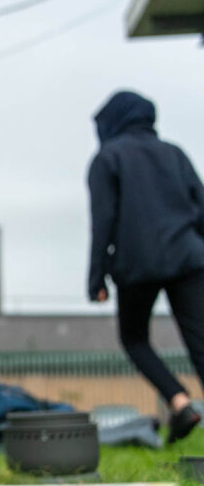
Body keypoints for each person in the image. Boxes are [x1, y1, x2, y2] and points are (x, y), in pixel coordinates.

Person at [87, 89, 204, 443]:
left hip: (137, 263)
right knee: (201, 342)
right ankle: (182, 406)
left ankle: (180, 402)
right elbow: (200, 205)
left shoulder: (108, 158)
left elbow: (102, 221)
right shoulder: (174, 154)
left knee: (134, 337)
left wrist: (97, 277)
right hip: (189, 258)